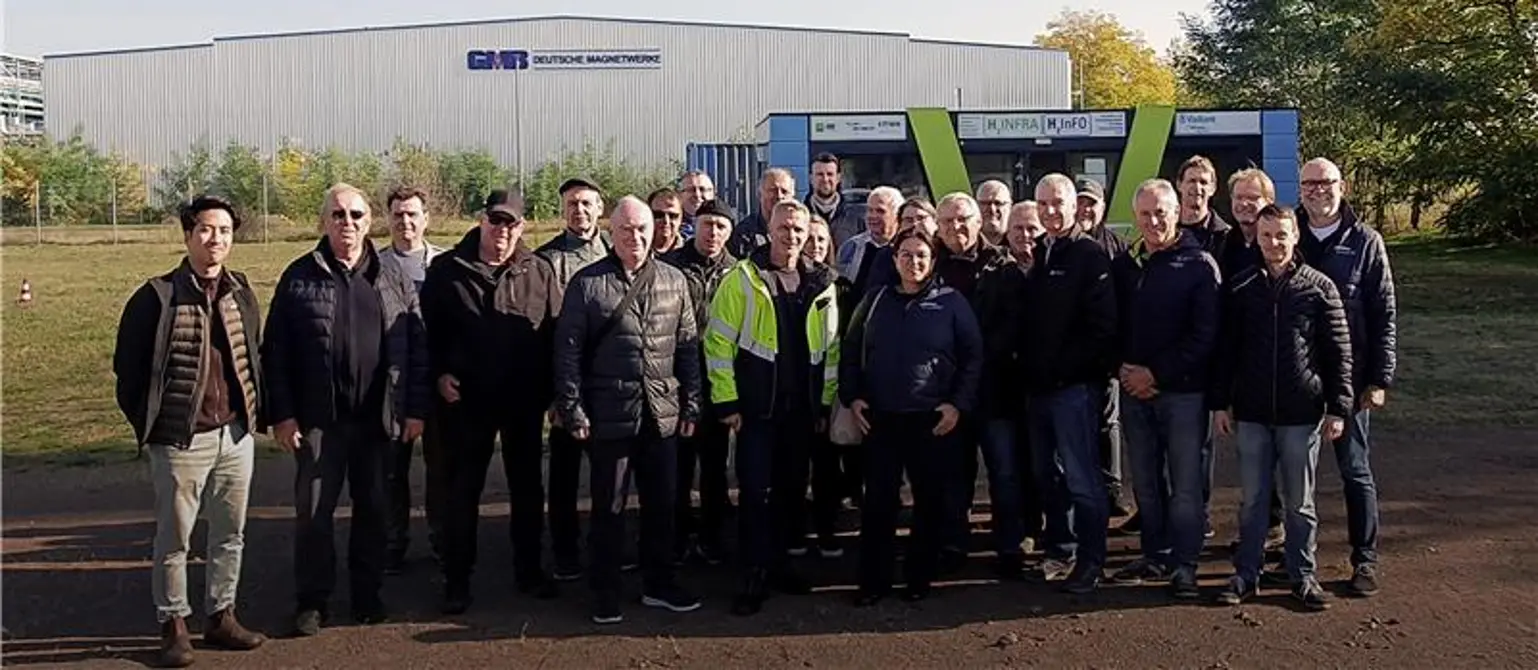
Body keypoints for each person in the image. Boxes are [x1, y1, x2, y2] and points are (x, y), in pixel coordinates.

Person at [263, 183, 430, 635]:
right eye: (338, 215)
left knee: (374, 509)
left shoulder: (390, 276)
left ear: (369, 221)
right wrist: (282, 414)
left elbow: (414, 347)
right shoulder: (300, 276)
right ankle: (312, 600)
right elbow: (275, 351)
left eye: (356, 215)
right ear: (324, 221)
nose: (348, 223)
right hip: (321, 421)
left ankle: (367, 594)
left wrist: (414, 410)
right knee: (314, 513)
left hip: (376, 421)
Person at [113, 194, 268, 668]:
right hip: (181, 440)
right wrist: (154, 424)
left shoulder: (241, 291)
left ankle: (221, 615)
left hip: (235, 437)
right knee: (175, 537)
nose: (215, 239)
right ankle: (173, 623)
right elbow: (129, 371)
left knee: (230, 534)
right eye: (205, 229)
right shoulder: (156, 296)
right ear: (187, 234)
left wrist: (249, 417)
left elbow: (254, 356)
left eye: (223, 231)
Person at [555, 195, 704, 624]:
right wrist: (573, 410)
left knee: (662, 507)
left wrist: (691, 403)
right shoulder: (586, 284)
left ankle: (660, 584)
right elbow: (567, 353)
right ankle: (604, 591)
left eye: (642, 229)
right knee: (609, 510)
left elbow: (688, 349)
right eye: (626, 230)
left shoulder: (675, 281)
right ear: (612, 231)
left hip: (662, 415)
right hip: (609, 417)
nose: (635, 237)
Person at [423, 190, 564, 614]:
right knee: (462, 491)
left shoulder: (538, 270)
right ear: (482, 220)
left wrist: (557, 392)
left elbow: (556, 337)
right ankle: (457, 579)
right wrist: (438, 373)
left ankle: (528, 571)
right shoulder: (447, 270)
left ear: (523, 227)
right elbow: (426, 332)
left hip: (524, 403)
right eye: (496, 221)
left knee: (526, 490)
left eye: (512, 224)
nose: (502, 231)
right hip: (468, 402)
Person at [1210, 204, 1353, 611]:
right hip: (1252, 412)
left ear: (1295, 237)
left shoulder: (1319, 287)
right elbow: (1226, 350)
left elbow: (1338, 352)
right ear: (1257, 238)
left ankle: (1302, 575)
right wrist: (1221, 402)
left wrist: (1338, 407)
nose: (1274, 242)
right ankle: (1245, 574)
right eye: (1267, 235)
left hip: (1301, 412)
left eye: (1282, 235)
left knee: (1299, 502)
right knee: (1253, 500)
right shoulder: (1240, 288)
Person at [704, 199, 840, 616]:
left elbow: (831, 350)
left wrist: (824, 404)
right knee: (754, 494)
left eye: (799, 230)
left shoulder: (822, 283)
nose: (792, 237)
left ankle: (780, 563)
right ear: (770, 228)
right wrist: (726, 400)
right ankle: (753, 573)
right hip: (757, 411)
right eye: (784, 229)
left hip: (801, 412)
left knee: (790, 492)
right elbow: (718, 343)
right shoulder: (742, 279)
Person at [841, 227, 984, 605]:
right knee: (879, 504)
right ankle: (874, 581)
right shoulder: (874, 301)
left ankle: (919, 577)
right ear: (894, 259)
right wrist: (852, 397)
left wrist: (957, 404)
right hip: (881, 417)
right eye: (906, 254)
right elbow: (851, 349)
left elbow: (973, 357)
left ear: (933, 260)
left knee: (929, 502)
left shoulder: (952, 303)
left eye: (921, 255)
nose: (914, 261)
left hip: (931, 419)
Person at [1106, 179, 1222, 599]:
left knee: (1186, 485)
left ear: (1177, 213)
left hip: (1183, 395)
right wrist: (1123, 370)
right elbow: (1112, 325)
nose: (1153, 221)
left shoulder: (1199, 265)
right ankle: (1154, 553)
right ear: (1135, 217)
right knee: (1147, 483)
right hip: (1133, 394)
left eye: (1161, 212)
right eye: (1145, 214)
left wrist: (1155, 374)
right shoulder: (1127, 265)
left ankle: (1185, 564)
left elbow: (1204, 336)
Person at [1296, 157, 1397, 597]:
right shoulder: (1287, 233)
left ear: (1344, 187)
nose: (1316, 190)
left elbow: (1384, 314)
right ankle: (1296, 558)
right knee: (1295, 477)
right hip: (1296, 379)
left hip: (1349, 382)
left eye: (1325, 182)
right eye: (1308, 183)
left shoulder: (1366, 241)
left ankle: (1365, 560)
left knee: (1355, 471)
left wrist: (1379, 380)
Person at [1018, 174, 1118, 593]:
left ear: (1075, 207)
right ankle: (1061, 549)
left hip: (1074, 389)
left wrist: (1069, 371)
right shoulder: (1042, 252)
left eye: (1057, 203)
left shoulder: (1088, 255)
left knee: (1083, 478)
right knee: (1047, 474)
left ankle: (1092, 561)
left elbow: (1103, 327)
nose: (1050, 212)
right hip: (1039, 389)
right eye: (1043, 205)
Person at [931, 192, 1021, 577]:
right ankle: (953, 544)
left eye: (963, 219)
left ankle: (1009, 547)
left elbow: (1014, 326)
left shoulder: (1003, 266)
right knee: (953, 474)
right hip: (947, 394)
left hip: (996, 389)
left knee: (1004, 472)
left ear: (978, 219)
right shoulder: (928, 265)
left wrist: (974, 358)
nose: (956, 228)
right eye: (947, 221)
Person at [538, 176, 614, 583]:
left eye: (586, 203)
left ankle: (607, 547)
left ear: (600, 208)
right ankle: (565, 550)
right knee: (564, 475)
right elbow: (543, 332)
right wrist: (554, 394)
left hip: (610, 384)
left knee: (609, 473)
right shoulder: (546, 260)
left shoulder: (615, 249)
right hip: (566, 384)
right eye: (571, 204)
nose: (579, 211)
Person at [660, 200, 738, 565]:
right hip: (674, 384)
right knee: (676, 466)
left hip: (718, 385)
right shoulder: (669, 267)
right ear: (695, 225)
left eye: (721, 226)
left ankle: (712, 537)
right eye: (707, 224)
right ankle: (674, 536)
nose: (713, 233)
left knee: (715, 467)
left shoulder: (738, 273)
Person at [1219, 168, 1288, 561]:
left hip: (1278, 368)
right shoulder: (1226, 245)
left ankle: (1280, 532)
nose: (1246, 205)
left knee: (1284, 458)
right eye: (1239, 198)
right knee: (1252, 458)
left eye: (1254, 198)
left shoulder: (1280, 245)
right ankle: (1263, 527)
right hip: (1240, 367)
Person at [379, 185, 447, 575]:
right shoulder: (375, 265)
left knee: (440, 468)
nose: (405, 222)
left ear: (426, 219)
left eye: (412, 214)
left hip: (437, 383)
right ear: (388, 219)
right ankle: (392, 542)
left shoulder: (446, 263)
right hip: (393, 386)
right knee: (391, 470)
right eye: (398, 215)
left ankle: (440, 537)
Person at [1073, 176, 1131, 521]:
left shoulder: (1118, 249)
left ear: (1103, 207)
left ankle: (1111, 491)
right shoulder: (1056, 245)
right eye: (1080, 201)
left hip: (1108, 355)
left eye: (1091, 202)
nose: (1085, 209)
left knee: (1108, 423)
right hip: (1072, 356)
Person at [729, 169, 796, 258]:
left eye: (784, 191)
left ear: (793, 195)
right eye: (773, 190)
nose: (779, 196)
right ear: (760, 193)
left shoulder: (801, 230)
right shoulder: (744, 233)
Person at [805, 152, 865, 248]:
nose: (825, 179)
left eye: (830, 174)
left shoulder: (856, 219)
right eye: (820, 174)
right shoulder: (801, 216)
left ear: (838, 178)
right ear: (811, 179)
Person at [975, 180, 1013, 245]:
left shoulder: (1019, 244)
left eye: (998, 203)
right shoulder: (967, 246)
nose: (992, 209)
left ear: (1010, 207)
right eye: (985, 203)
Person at [649, 187, 686, 254]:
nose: (666, 221)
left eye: (672, 216)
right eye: (659, 215)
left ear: (681, 218)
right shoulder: (635, 250)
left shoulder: (690, 253)